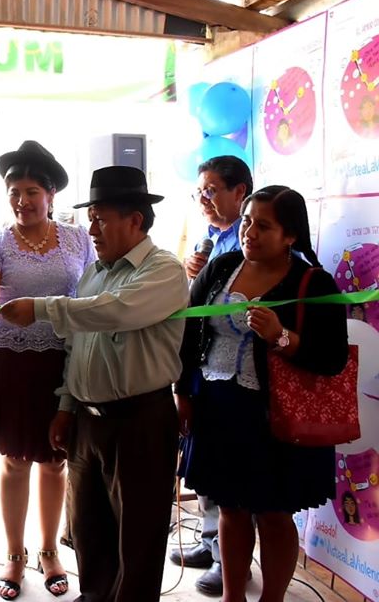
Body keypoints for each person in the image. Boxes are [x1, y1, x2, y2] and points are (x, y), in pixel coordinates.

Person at [0, 165, 188, 602]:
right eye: (91, 216)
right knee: (88, 531)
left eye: (101, 217)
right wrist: (66, 407)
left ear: (135, 219)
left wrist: (42, 308)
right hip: (88, 422)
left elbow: (114, 311)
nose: (92, 227)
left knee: (137, 538)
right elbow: (77, 346)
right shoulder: (95, 272)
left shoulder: (163, 270)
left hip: (140, 421)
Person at [175, 185, 348, 602]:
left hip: (272, 416)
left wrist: (281, 337)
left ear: (290, 235)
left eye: (264, 226)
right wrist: (184, 392)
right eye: (248, 221)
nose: (250, 231)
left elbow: (332, 358)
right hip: (216, 409)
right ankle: (233, 597)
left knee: (273, 514)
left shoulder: (313, 281)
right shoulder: (222, 268)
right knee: (230, 508)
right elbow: (188, 331)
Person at [0, 141, 94, 600]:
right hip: (10, 358)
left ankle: (49, 551)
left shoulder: (80, 239)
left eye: (30, 191)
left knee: (55, 457)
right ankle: (14, 553)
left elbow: (94, 291)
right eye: (14, 192)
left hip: (61, 359)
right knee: (15, 459)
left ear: (50, 196)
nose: (22, 201)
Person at [175, 154, 252, 595]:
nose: (203, 199)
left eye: (211, 190)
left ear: (239, 192)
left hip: (240, 375)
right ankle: (209, 541)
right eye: (199, 191)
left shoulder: (247, 240)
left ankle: (231, 561)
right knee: (204, 467)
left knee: (232, 481)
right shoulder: (211, 237)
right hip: (205, 367)